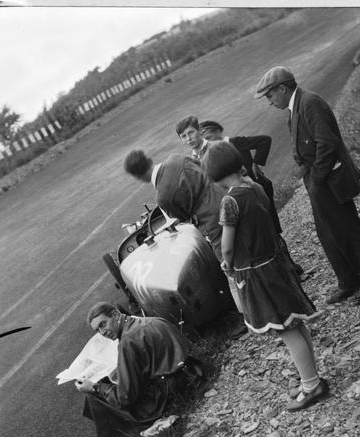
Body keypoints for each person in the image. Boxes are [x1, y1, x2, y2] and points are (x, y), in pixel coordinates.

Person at [201, 141, 329, 412]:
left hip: (257, 272)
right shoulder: (255, 187)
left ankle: (311, 386)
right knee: (295, 323)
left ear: (214, 173)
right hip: (274, 261)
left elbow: (226, 245)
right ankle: (312, 377)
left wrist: (227, 263)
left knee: (285, 328)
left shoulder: (230, 201)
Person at [254, 66, 360, 305]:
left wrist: (317, 178)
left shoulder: (310, 103)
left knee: (349, 230)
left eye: (270, 95)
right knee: (329, 233)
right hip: (320, 180)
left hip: (329, 180)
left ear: (282, 89)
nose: (269, 101)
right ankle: (349, 281)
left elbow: (327, 143)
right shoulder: (296, 107)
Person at [123, 149, 247, 338]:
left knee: (231, 271)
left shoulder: (163, 197)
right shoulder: (176, 159)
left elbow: (183, 221)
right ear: (149, 159)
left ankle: (247, 317)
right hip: (228, 196)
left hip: (213, 222)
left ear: (137, 177)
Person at [75, 302, 203, 437]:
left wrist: (95, 388)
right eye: (97, 330)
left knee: (93, 396)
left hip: (171, 389)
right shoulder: (148, 319)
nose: (102, 332)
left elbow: (124, 397)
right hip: (191, 369)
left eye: (103, 324)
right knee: (112, 382)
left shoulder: (127, 342)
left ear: (115, 314)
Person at [198, 119, 304, 276]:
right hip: (247, 193)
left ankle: (290, 268)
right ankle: (284, 269)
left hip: (253, 190)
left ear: (218, 133)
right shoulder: (214, 154)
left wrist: (256, 163)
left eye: (210, 135)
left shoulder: (233, 143)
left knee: (272, 231)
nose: (209, 140)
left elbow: (264, 140)